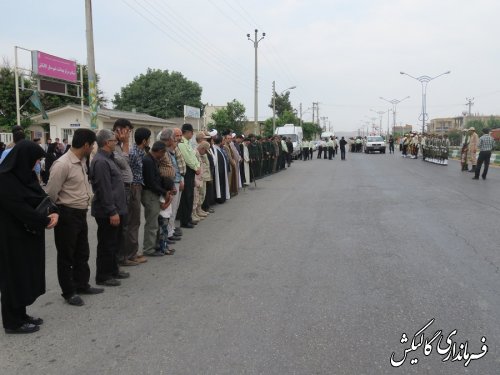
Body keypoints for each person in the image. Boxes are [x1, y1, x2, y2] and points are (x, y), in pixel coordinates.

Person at [0, 140, 59, 334]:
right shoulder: (4, 179)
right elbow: (20, 208)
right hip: (11, 238)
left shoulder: (26, 175)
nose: (36, 163)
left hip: (28, 235)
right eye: (35, 159)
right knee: (13, 278)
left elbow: (41, 197)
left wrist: (53, 211)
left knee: (25, 275)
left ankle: (21, 314)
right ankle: (12, 322)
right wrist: (44, 220)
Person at [46, 129, 103, 306]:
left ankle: (82, 284)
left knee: (82, 251)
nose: (93, 147)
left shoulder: (82, 161)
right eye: (92, 144)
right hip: (66, 214)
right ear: (86, 145)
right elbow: (50, 193)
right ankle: (69, 291)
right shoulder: (62, 164)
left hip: (80, 212)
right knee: (66, 255)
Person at [90, 129, 128, 287]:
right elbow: (104, 189)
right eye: (114, 140)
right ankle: (103, 275)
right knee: (107, 243)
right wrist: (112, 211)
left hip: (117, 208)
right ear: (106, 142)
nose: (116, 142)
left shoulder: (110, 158)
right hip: (107, 211)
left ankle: (113, 269)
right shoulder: (100, 161)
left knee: (115, 242)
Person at [125, 127, 151, 265]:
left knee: (136, 221)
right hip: (134, 187)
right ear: (144, 140)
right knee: (133, 222)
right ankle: (130, 254)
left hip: (138, 186)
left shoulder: (141, 151)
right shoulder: (134, 153)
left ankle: (133, 251)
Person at [142, 141, 172, 256]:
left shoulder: (152, 160)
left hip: (154, 192)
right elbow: (151, 182)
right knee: (152, 223)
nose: (163, 156)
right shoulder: (148, 161)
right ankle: (149, 249)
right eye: (163, 153)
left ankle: (155, 245)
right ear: (159, 152)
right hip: (149, 193)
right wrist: (164, 192)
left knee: (155, 221)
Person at [177, 124, 201, 228]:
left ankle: (189, 218)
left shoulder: (187, 143)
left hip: (191, 171)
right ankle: (185, 221)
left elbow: (193, 156)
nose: (192, 134)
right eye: (191, 132)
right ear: (187, 132)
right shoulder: (182, 143)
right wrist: (196, 168)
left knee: (190, 196)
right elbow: (187, 158)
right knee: (186, 197)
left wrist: (197, 166)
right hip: (187, 172)